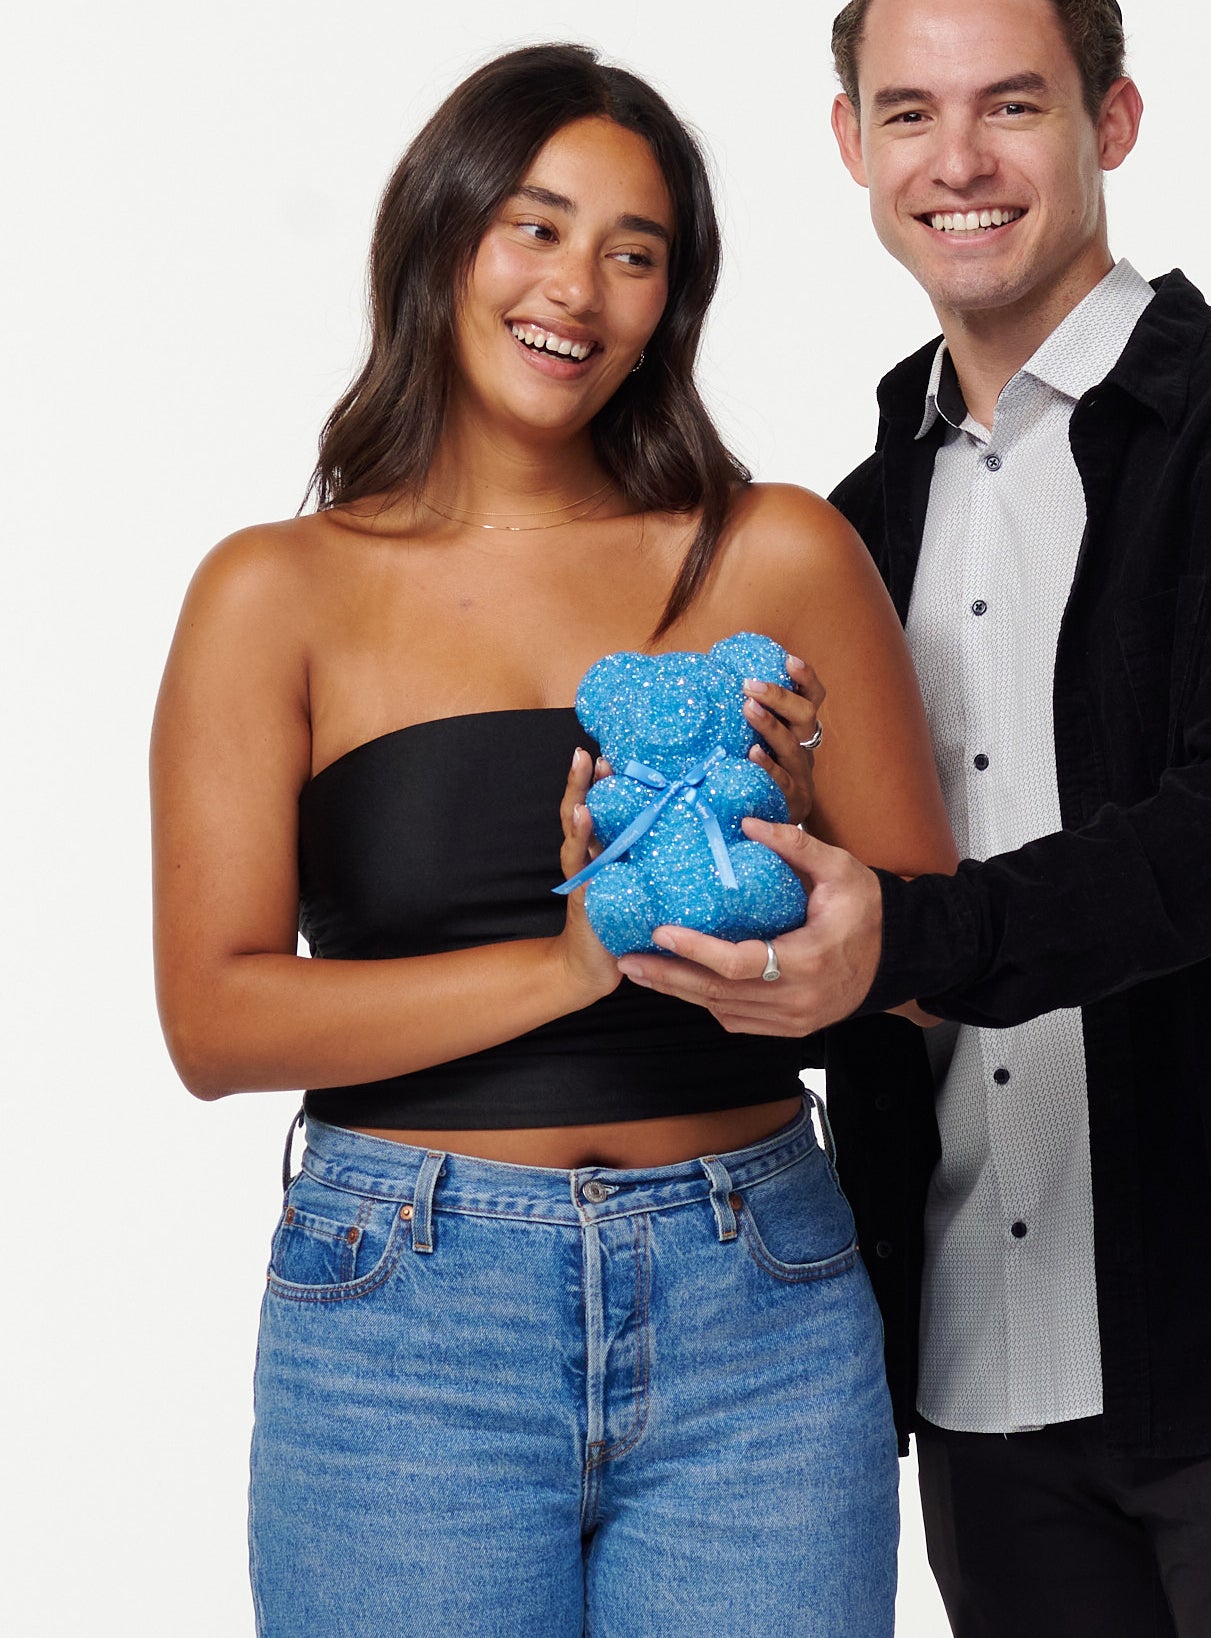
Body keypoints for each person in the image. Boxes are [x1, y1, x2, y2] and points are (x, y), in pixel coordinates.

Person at [616, 2, 1211, 1633]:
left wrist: (905, 940)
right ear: (847, 146)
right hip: (971, 1360)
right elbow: (841, 926)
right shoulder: (850, 527)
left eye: (1009, 105)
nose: (957, 162)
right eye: (906, 115)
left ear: (1115, 118)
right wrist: (702, 883)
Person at [150, 43, 955, 1637]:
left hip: (759, 1307)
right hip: (403, 1322)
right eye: (535, 226)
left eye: (634, 251)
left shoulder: (776, 552)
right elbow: (217, 1016)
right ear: (443, 237)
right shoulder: (276, 590)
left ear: (673, 299)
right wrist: (578, 958)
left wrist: (791, 865)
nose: (577, 288)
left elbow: (928, 968)